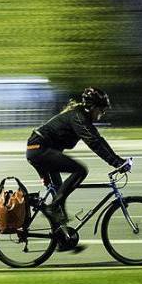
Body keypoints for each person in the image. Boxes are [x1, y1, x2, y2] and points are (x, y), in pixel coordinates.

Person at [26, 87, 130, 226]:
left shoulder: (82, 118)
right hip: (39, 150)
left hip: (42, 151)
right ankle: (54, 207)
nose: (102, 113)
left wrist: (118, 161)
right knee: (80, 170)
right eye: (101, 109)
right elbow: (94, 143)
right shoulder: (78, 117)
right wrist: (116, 163)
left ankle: (63, 240)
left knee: (59, 196)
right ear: (92, 107)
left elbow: (98, 140)